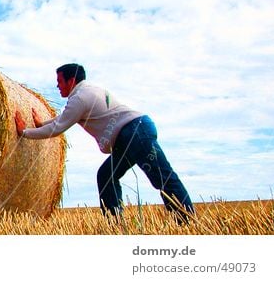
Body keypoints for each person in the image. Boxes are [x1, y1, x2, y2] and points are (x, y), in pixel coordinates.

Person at [14, 63, 195, 224]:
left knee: (162, 177)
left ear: (71, 80)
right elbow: (64, 118)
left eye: (59, 81)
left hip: (135, 132)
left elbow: (57, 128)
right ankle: (115, 222)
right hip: (133, 133)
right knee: (106, 175)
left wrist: (24, 132)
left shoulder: (79, 98)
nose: (57, 86)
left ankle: (186, 220)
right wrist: (41, 124)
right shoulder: (88, 91)